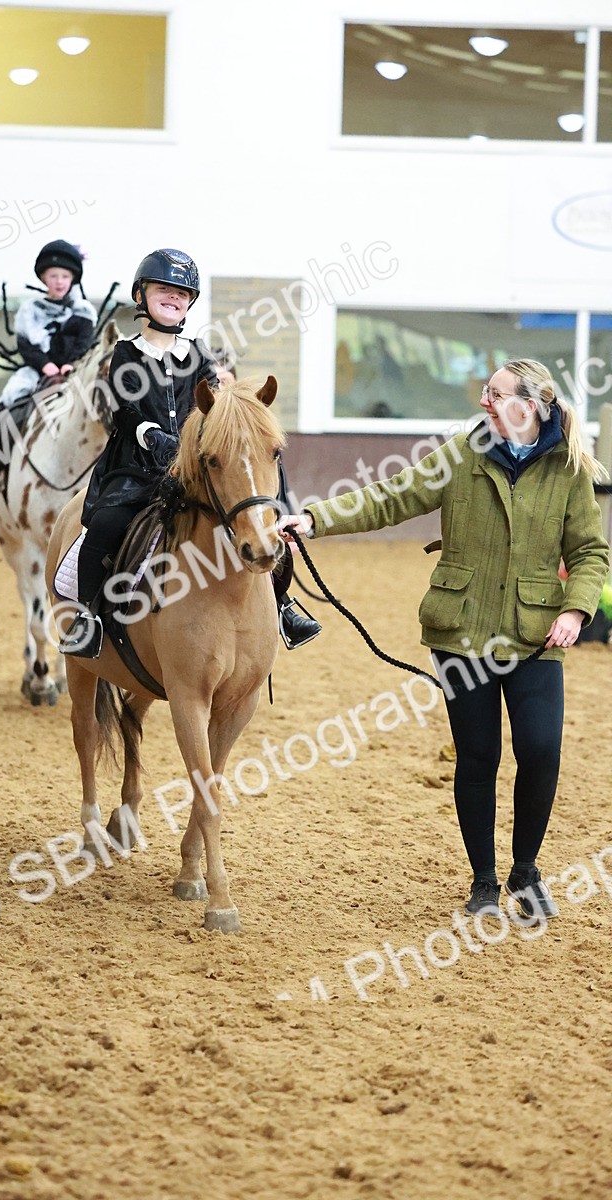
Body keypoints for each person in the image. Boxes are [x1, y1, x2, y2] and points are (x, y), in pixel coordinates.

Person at [281, 359, 609, 919]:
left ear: (527, 406)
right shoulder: (461, 455)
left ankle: (525, 872)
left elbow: (589, 552)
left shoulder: (570, 470)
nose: (483, 400)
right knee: (478, 757)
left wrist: (577, 610)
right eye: (485, 390)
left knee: (541, 751)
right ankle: (483, 881)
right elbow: (388, 498)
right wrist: (314, 519)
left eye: (495, 392)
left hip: (535, 636)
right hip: (461, 633)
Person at [59, 247, 321, 658]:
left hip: (190, 467)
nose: (174, 297)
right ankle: (88, 617)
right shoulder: (127, 353)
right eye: (164, 288)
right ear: (142, 295)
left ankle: (284, 606)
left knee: (262, 522)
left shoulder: (197, 353)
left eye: (182, 293)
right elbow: (124, 411)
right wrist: (150, 435)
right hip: (137, 466)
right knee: (107, 525)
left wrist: (206, 440)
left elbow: (211, 407)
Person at [0, 239, 97, 425]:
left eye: (65, 276)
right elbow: (25, 345)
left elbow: (84, 343)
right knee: (11, 399)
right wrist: (45, 365)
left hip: (75, 370)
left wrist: (72, 363)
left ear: (72, 279)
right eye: (53, 276)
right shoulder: (30, 311)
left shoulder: (83, 312)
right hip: (38, 371)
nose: (59, 282)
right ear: (44, 278)